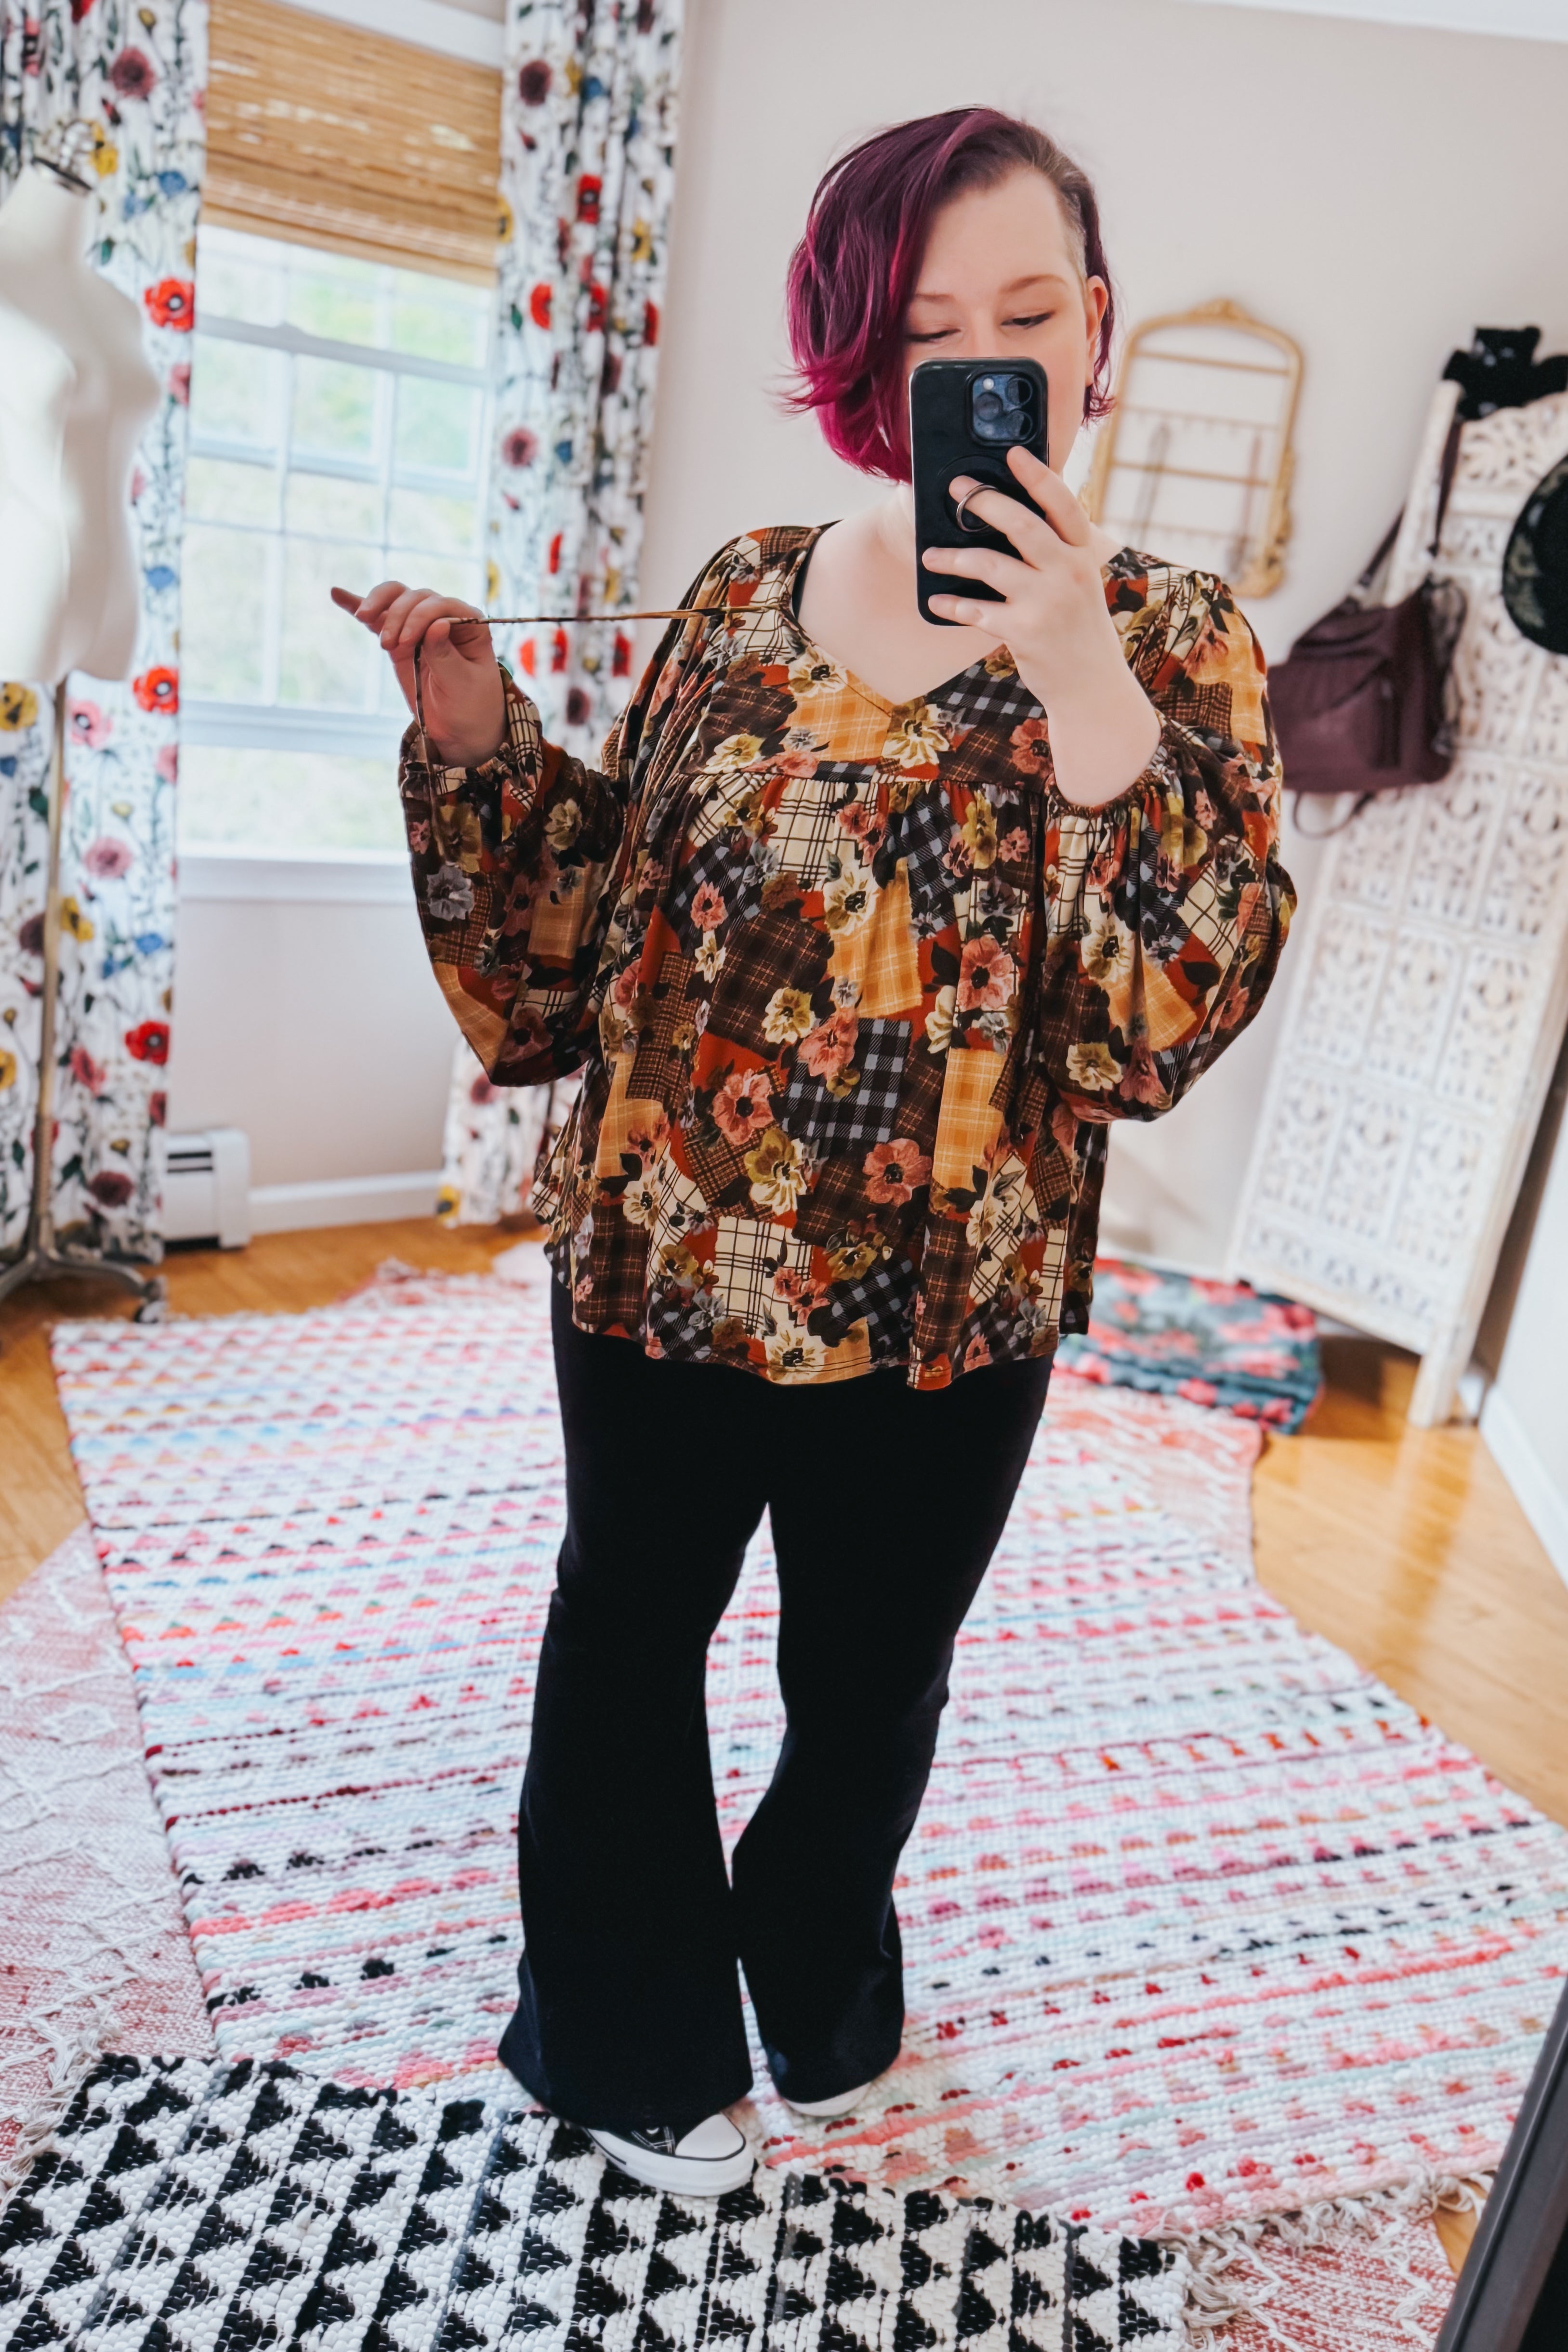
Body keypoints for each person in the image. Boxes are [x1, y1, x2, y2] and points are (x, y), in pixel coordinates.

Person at [344, 106, 1296, 2198]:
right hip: (663, 1256)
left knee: (867, 1687)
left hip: (950, 1303)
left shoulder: (1177, 640)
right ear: (868, 354)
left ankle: (817, 1974)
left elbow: (1164, 1018)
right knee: (623, 1639)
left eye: (1030, 314)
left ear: (1100, 330)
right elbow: (602, 930)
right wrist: (486, 743)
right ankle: (626, 2030)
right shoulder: (747, 594)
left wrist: (1074, 678)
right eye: (934, 324)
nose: (991, 359)